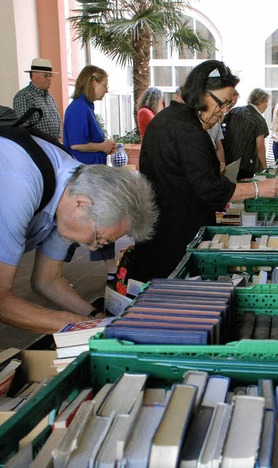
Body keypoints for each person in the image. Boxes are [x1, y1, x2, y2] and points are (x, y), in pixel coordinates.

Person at [127, 60, 278, 282]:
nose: (222, 112)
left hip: (158, 225)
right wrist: (259, 188)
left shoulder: (165, 119)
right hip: (179, 232)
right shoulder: (190, 131)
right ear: (201, 94)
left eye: (227, 106)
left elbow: (180, 173)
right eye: (221, 104)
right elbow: (209, 190)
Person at [0, 124, 157, 334]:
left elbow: (47, 280)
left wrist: (96, 317)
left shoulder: (71, 194)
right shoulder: (21, 185)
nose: (93, 248)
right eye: (98, 238)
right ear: (81, 204)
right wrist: (79, 326)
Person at [63, 65, 119, 282]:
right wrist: (102, 147)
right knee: (89, 223)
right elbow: (76, 145)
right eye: (105, 85)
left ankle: (111, 270)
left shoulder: (85, 107)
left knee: (93, 223)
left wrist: (103, 146)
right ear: (92, 82)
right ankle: (51, 270)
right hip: (86, 177)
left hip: (91, 176)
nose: (106, 90)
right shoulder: (78, 108)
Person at [223, 87, 271, 179]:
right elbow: (260, 147)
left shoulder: (235, 111)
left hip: (227, 159)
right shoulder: (259, 120)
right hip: (246, 164)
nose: (267, 105)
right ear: (261, 101)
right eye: (266, 102)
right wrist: (265, 168)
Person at [13, 58, 61, 140]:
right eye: (46, 75)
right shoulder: (24, 96)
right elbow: (23, 128)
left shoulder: (50, 98)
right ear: (34, 75)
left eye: (51, 76)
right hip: (37, 147)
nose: (49, 79)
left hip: (53, 145)